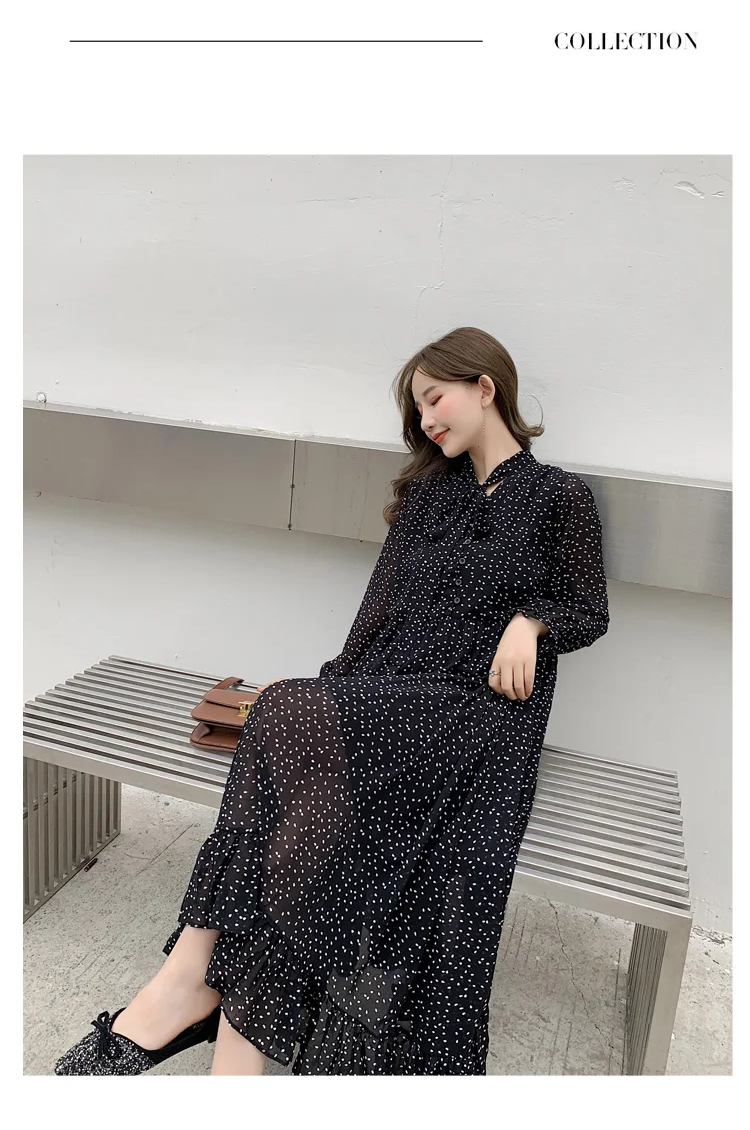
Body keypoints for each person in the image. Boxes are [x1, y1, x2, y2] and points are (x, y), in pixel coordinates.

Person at [54, 326, 609, 1076]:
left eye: (434, 398)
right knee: (298, 763)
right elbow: (375, 615)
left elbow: (589, 608)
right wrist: (330, 698)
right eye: (417, 409)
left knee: (289, 728)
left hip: (477, 718)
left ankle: (187, 992)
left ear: (486, 387)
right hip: (390, 698)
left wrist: (531, 621)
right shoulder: (429, 495)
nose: (426, 420)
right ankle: (217, 1030)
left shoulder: (558, 496)